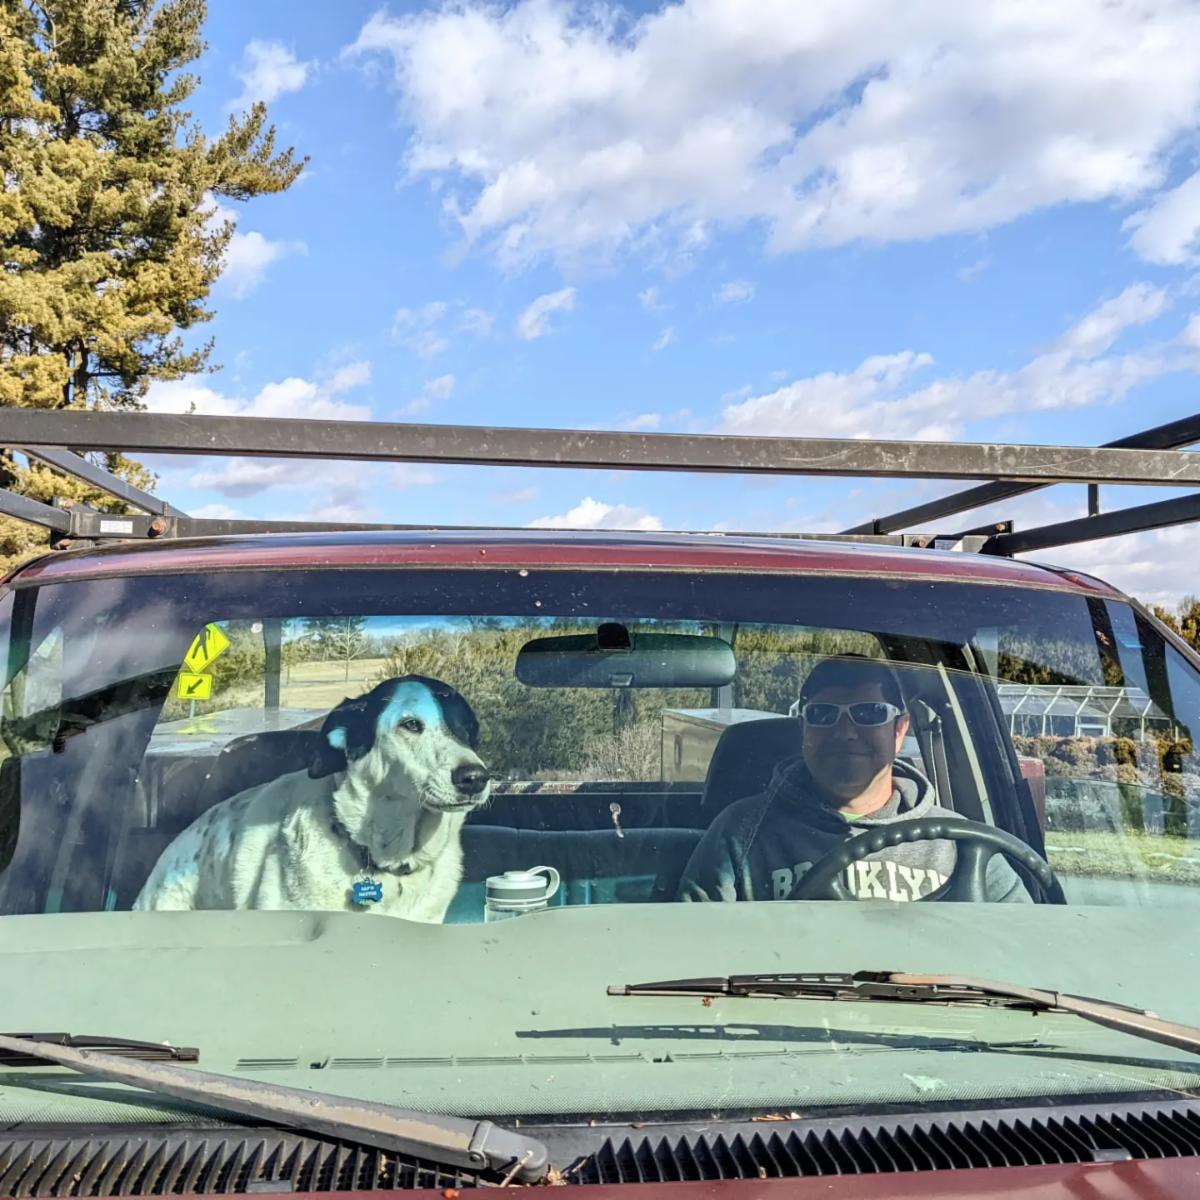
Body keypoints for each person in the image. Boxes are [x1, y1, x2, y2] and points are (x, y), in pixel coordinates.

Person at [678, 655, 1029, 903]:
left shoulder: (964, 845)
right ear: (804, 728)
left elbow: (1024, 949)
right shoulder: (739, 835)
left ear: (900, 729)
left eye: (869, 713)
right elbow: (698, 952)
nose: (845, 732)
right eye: (823, 714)